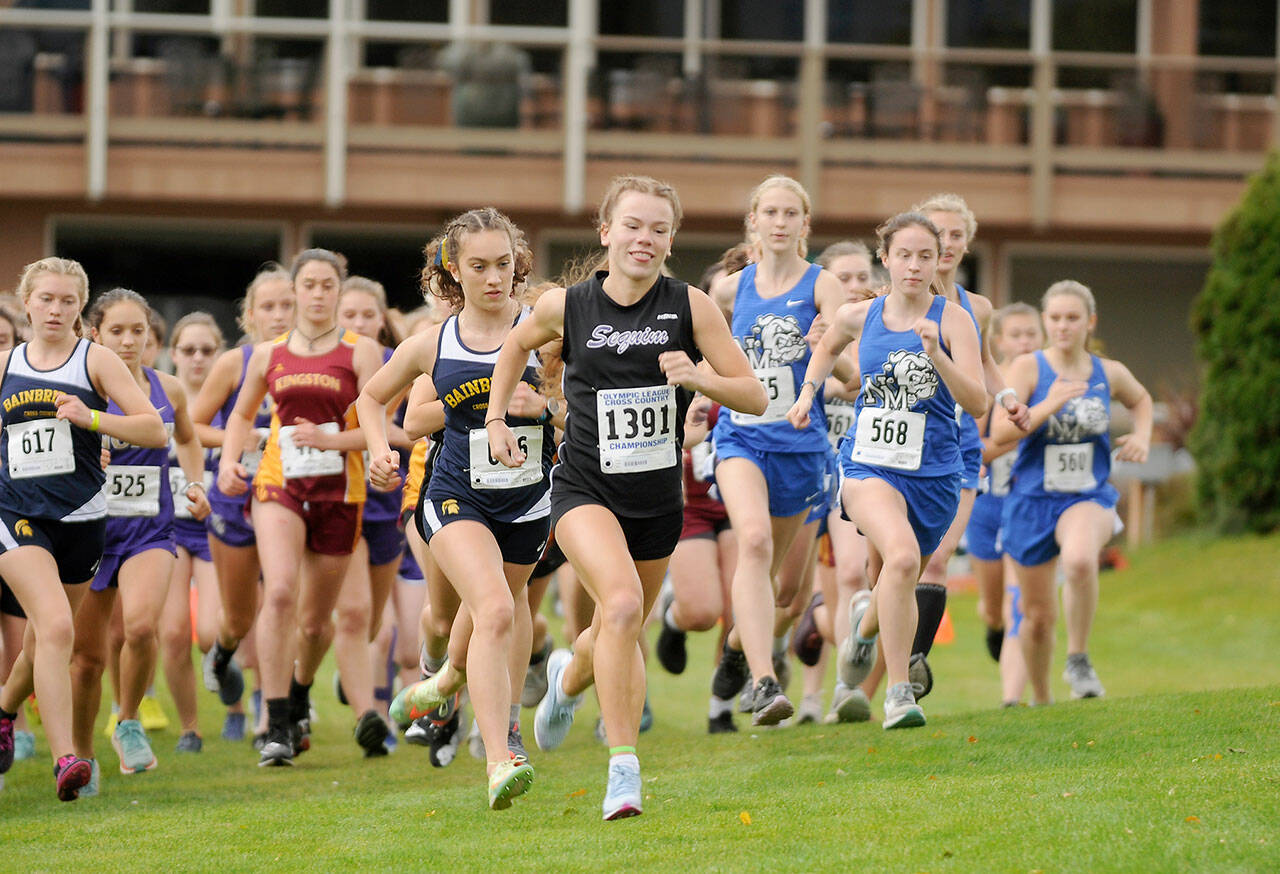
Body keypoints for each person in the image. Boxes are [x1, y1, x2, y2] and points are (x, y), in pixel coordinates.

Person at [485, 175, 766, 820]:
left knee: (614, 628)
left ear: (671, 239)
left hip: (658, 499)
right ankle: (624, 772)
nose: (646, 239)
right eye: (633, 226)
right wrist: (499, 418)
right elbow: (515, 346)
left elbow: (754, 395)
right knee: (618, 604)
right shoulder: (568, 305)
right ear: (606, 231)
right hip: (584, 488)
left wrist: (700, 377)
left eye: (660, 229)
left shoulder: (691, 307)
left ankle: (565, 680)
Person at [366, 208, 553, 809]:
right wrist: (378, 452)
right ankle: (500, 758)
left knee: (502, 606)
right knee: (494, 607)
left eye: (504, 264)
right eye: (479, 266)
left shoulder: (546, 334)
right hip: (454, 494)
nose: (494, 277)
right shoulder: (433, 344)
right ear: (454, 269)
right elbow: (372, 401)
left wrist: (547, 408)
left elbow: (577, 410)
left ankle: (444, 680)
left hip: (528, 500)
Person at [786, 212, 986, 729]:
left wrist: (937, 356)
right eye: (904, 255)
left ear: (938, 259)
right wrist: (808, 392)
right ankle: (900, 692)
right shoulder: (861, 316)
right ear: (886, 258)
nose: (914, 266)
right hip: (867, 465)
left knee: (897, 574)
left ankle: (863, 621)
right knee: (899, 559)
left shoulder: (955, 321)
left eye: (925, 256)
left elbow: (979, 402)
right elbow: (827, 347)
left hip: (936, 475)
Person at [0, 258, 166, 801]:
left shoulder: (93, 360)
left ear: (80, 309)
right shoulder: (4, 365)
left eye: (68, 301)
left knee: (45, 638)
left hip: (82, 520)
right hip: (15, 515)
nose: (55, 309)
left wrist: (91, 418)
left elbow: (151, 428)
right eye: (46, 298)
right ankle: (67, 758)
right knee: (54, 626)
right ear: (26, 302)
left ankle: (3, 712)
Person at [217, 248, 385, 766]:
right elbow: (242, 414)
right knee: (282, 591)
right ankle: (276, 723)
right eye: (308, 285)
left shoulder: (362, 353)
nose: (317, 294)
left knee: (316, 626)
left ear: (339, 290)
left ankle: (300, 688)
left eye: (326, 285)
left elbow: (377, 426)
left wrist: (337, 444)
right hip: (279, 484)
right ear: (295, 291)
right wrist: (227, 462)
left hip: (340, 492)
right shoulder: (269, 355)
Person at [704, 175, 848, 727]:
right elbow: (713, 355)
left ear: (804, 225)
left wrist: (817, 366)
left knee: (786, 589)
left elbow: (836, 345)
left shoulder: (822, 285)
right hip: (742, 437)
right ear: (755, 222)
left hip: (800, 443)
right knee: (755, 543)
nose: (781, 222)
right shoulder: (728, 290)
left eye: (792, 214)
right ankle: (765, 681)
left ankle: (740, 646)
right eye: (771, 212)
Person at [69, 289, 210, 789]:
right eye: (117, 332)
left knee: (142, 627)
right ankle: (82, 756)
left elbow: (189, 439)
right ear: (94, 334)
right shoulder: (82, 389)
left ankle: (128, 720)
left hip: (150, 527)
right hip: (89, 529)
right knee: (86, 658)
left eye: (138, 332)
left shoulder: (167, 389)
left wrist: (194, 484)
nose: (129, 342)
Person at [991, 280, 1152, 704]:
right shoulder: (1027, 368)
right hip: (1031, 500)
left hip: (1087, 494)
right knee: (1038, 618)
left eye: (1072, 318)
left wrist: (1143, 436)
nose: (1063, 326)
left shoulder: (1108, 372)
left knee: (1081, 561)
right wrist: (1049, 403)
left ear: (1089, 322)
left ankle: (1078, 658)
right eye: (1056, 318)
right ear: (1046, 322)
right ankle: (1043, 699)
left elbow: (1141, 400)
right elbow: (999, 431)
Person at [897, 193, 1030, 698]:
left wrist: (1010, 396)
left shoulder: (978, 308)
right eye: (937, 234)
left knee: (937, 559)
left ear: (966, 243)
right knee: (890, 564)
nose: (946, 243)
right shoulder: (894, 301)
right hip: (897, 450)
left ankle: (912, 663)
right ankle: (870, 643)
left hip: (958, 448)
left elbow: (987, 363)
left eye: (955, 235)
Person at [191, 266, 295, 743]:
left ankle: (266, 711)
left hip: (294, 497)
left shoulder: (318, 363)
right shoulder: (236, 364)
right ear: (250, 315)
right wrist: (243, 437)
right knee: (235, 619)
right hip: (236, 496)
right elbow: (193, 427)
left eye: (286, 304)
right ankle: (223, 652)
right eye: (268, 307)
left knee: (280, 597)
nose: (279, 315)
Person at [333, 276, 410, 751]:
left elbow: (404, 429)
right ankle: (370, 717)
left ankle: (354, 673)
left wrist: (393, 439)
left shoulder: (400, 364)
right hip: (343, 499)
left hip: (390, 500)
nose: (360, 324)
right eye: (350, 315)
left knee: (378, 620)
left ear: (382, 320)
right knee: (356, 614)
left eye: (368, 315)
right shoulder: (325, 364)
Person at [965, 302, 1042, 705]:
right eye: (1016, 334)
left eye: (1032, 333)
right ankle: (992, 627)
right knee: (994, 609)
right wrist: (1018, 433)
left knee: (1020, 604)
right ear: (999, 341)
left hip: (1029, 505)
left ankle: (1012, 699)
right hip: (988, 507)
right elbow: (975, 448)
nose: (1025, 341)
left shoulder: (1050, 379)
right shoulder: (990, 384)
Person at [159, 312, 225, 750]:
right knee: (173, 633)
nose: (198, 359)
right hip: (168, 531)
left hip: (216, 529)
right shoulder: (156, 399)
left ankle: (221, 664)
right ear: (174, 354)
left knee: (212, 632)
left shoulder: (230, 404)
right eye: (189, 350)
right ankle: (190, 727)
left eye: (207, 350)